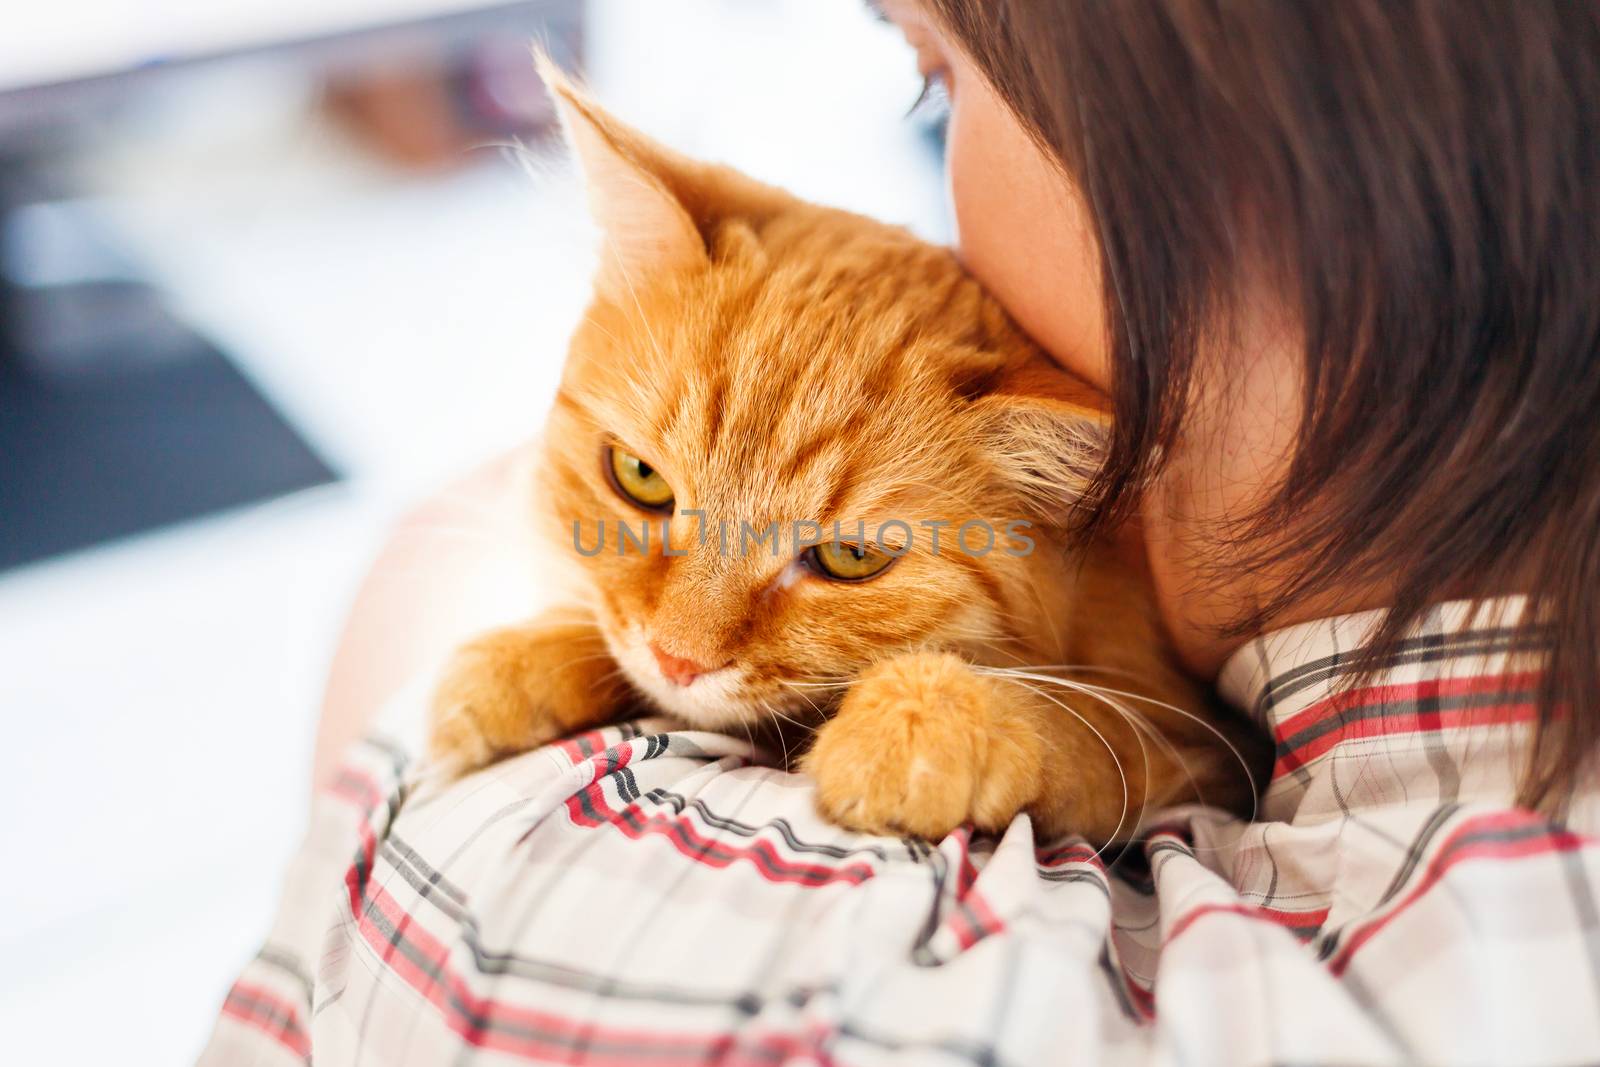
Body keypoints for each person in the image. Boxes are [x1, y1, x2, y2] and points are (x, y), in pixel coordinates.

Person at [205, 3, 1600, 1064]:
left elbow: (1160, 744)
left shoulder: (586, 892)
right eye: (639, 484)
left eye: (944, 84)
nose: (681, 646)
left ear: (1260, 169)